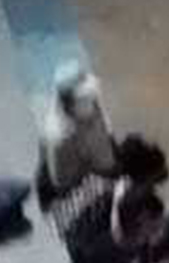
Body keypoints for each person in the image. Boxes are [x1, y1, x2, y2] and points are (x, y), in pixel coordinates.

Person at [40, 60, 117, 200]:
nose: (93, 101)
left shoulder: (88, 108)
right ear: (69, 104)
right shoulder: (61, 137)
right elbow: (66, 183)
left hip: (97, 164)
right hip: (79, 189)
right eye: (85, 98)